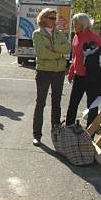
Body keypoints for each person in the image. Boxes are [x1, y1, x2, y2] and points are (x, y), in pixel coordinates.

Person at [32, 8, 71, 146]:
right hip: (44, 72)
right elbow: (42, 53)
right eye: (52, 18)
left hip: (59, 72)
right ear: (43, 19)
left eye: (55, 18)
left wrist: (53, 48)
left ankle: (56, 134)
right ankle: (37, 135)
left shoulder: (59, 34)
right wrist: (58, 54)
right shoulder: (37, 34)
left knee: (57, 103)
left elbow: (67, 48)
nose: (55, 21)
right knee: (40, 103)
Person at [66, 13, 101, 128]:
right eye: (73, 23)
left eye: (76, 23)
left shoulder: (93, 36)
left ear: (83, 24)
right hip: (78, 76)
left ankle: (90, 132)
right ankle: (69, 128)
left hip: (92, 76)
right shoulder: (76, 36)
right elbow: (75, 56)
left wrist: (94, 58)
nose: (73, 25)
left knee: (92, 106)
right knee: (73, 104)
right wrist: (71, 72)